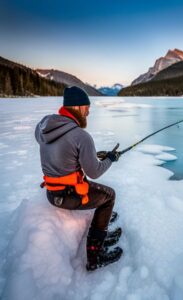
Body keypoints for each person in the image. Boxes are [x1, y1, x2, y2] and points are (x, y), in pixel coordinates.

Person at [35, 86, 123, 271]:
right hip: (70, 196)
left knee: (90, 187)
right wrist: (110, 159)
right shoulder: (81, 136)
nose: (89, 111)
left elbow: (63, 151)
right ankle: (94, 255)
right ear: (77, 107)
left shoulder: (43, 128)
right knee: (109, 197)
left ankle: (101, 230)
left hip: (52, 194)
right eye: (87, 107)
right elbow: (95, 172)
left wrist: (89, 155)